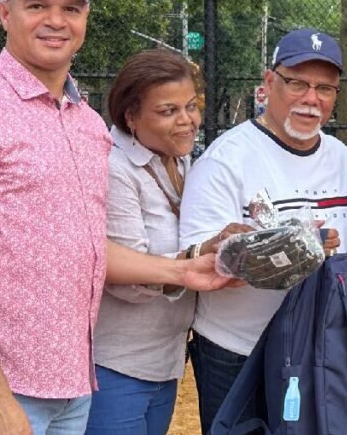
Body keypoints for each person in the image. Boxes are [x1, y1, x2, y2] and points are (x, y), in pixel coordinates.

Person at [0, 0, 233, 435]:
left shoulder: (89, 127)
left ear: (85, 19)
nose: (55, 20)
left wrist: (183, 269)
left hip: (74, 384)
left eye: (71, 8)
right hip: (0, 388)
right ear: (5, 13)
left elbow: (90, 247)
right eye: (36, 5)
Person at [179, 28, 347, 433]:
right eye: (297, 83)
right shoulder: (227, 159)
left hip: (316, 350)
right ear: (269, 82)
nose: (312, 98)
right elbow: (196, 259)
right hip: (237, 349)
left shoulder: (344, 159)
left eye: (325, 88)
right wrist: (244, 252)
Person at [86, 49, 251, 435]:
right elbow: (123, 279)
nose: (187, 121)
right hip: (116, 364)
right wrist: (198, 258)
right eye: (168, 111)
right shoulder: (114, 168)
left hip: (164, 360)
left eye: (191, 107)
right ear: (131, 116)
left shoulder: (181, 160)